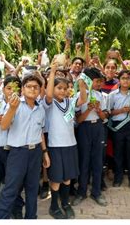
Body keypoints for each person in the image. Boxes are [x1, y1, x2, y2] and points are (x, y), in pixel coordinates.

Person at [0, 75, 50, 219]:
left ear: (39, 90)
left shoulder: (40, 109)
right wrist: (12, 109)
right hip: (18, 153)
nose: (32, 89)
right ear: (23, 89)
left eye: (36, 87)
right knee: (10, 190)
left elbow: (40, 133)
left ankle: (31, 218)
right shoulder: (15, 104)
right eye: (29, 86)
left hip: (35, 152)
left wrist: (44, 153)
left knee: (32, 189)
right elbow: (4, 125)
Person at [44, 64, 87, 219]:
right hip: (55, 146)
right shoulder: (48, 104)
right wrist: (53, 72)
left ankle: (65, 203)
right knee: (56, 179)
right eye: (59, 88)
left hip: (70, 145)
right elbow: (48, 95)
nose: (62, 91)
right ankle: (54, 206)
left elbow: (83, 98)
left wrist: (82, 84)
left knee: (67, 178)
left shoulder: (70, 102)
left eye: (65, 88)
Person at [73, 67, 109, 207]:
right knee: (84, 161)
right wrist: (88, 109)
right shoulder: (79, 96)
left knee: (98, 161)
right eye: (96, 81)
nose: (99, 84)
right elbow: (79, 120)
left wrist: (98, 110)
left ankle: (96, 192)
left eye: (100, 81)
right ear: (88, 81)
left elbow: (104, 117)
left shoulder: (100, 96)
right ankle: (81, 192)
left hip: (98, 128)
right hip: (84, 129)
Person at [0, 75, 21, 218]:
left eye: (15, 89)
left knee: (13, 183)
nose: (11, 92)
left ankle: (16, 209)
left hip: (14, 150)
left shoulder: (22, 106)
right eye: (9, 88)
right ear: (3, 89)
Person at [108, 69, 130, 188]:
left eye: (128, 78)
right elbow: (109, 112)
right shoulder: (112, 95)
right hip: (117, 127)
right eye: (123, 78)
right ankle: (118, 178)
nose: (126, 80)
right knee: (118, 153)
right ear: (119, 80)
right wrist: (121, 111)